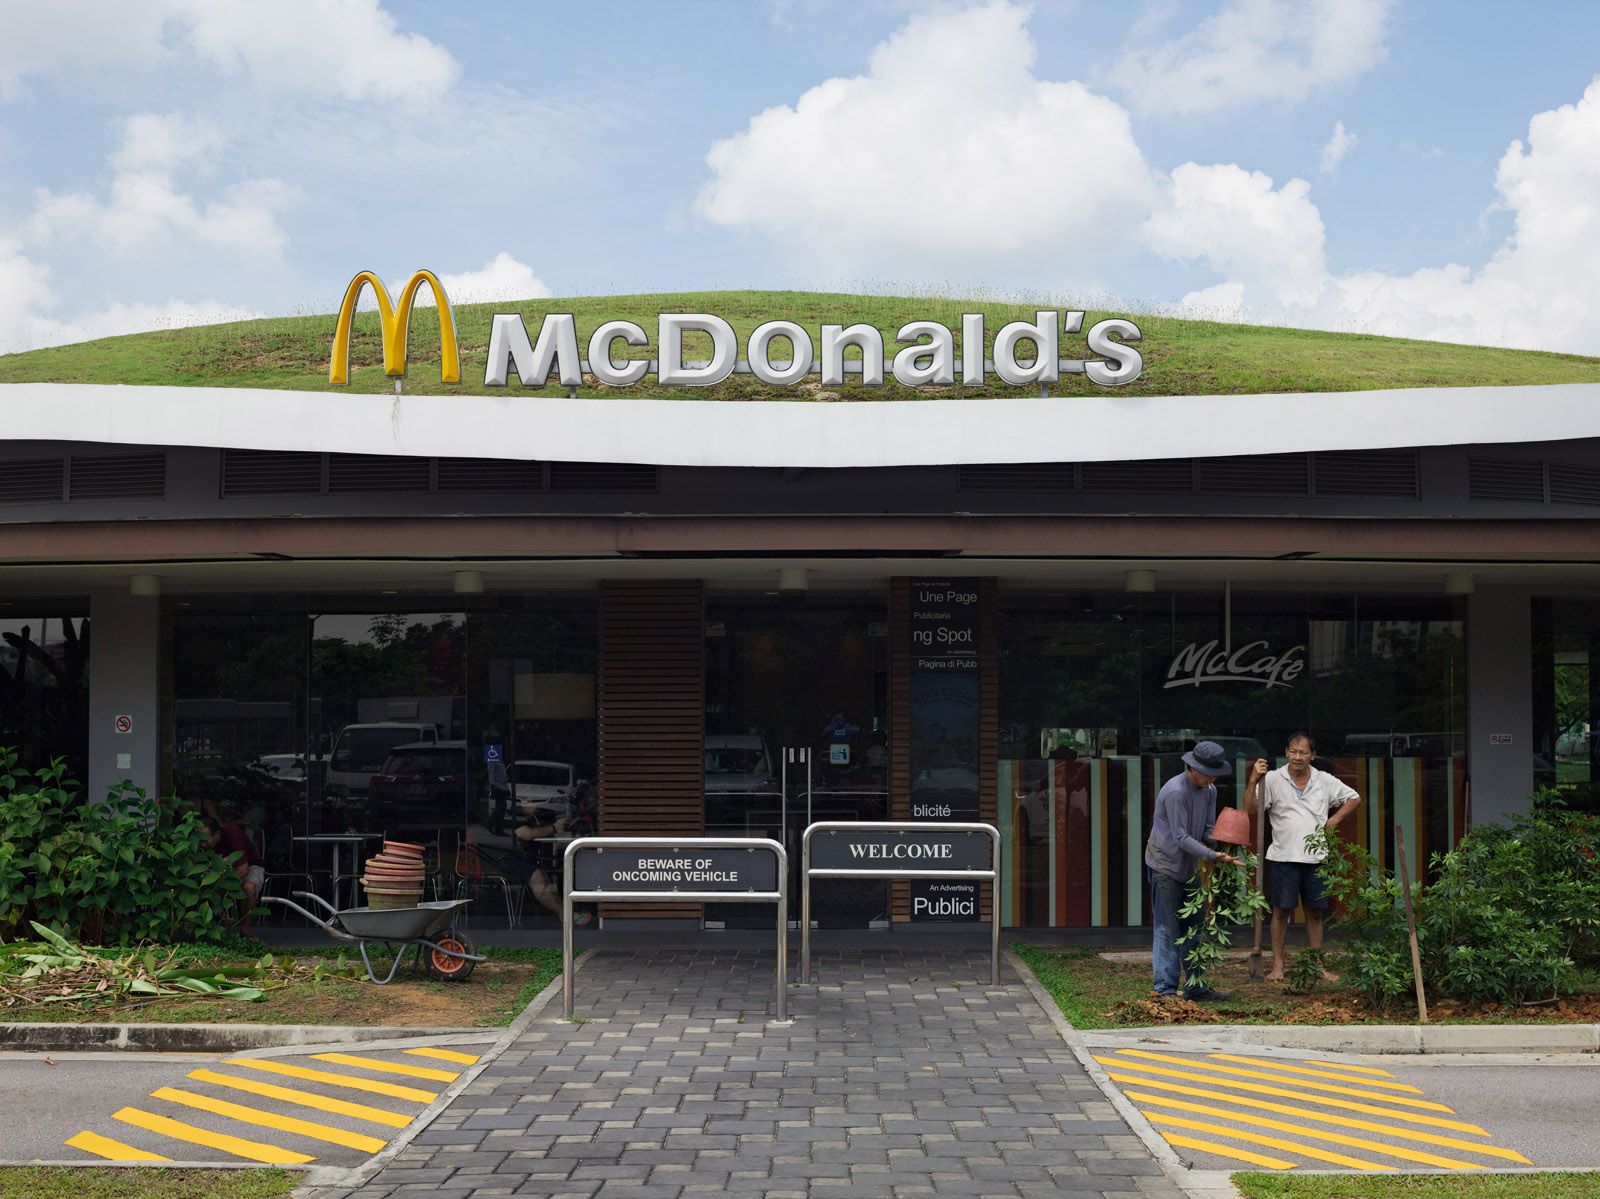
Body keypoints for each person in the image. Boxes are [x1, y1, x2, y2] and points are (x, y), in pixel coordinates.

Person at [1244, 732, 1362, 982]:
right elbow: (1251, 809)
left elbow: (1354, 797)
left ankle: (1317, 966)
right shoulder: (1273, 779)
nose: (1297, 757)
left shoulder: (1323, 780)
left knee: (1316, 912)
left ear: (1313, 755)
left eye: (1303, 752)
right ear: (1286, 752)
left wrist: (1334, 820)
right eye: (1293, 752)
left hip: (1316, 857)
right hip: (1283, 856)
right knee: (1281, 911)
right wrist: (1254, 780)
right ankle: (1278, 965)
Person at [1145, 740, 1242, 1001]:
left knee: (1195, 927)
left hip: (1189, 868)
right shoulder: (1177, 791)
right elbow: (1180, 836)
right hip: (1164, 864)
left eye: (1215, 773)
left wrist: (1227, 840)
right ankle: (1164, 990)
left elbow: (1207, 830)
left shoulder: (1209, 790)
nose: (1212, 778)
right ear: (1193, 768)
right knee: (1168, 928)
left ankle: (1195, 986)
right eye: (1208, 772)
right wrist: (1213, 856)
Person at [512, 780, 598, 924]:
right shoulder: (515, 817)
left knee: (549, 874)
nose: (532, 804)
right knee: (538, 877)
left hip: (532, 859)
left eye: (534, 801)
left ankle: (568, 911)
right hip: (509, 858)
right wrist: (554, 828)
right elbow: (526, 834)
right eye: (528, 801)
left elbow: (561, 822)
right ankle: (564, 915)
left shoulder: (538, 817)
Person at [202, 814, 264, 928]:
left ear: (217, 835)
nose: (203, 844)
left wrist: (220, 883)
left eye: (206, 840)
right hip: (223, 869)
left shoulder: (233, 833)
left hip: (250, 865)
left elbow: (243, 869)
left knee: (249, 888)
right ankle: (217, 922)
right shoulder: (205, 847)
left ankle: (244, 929)